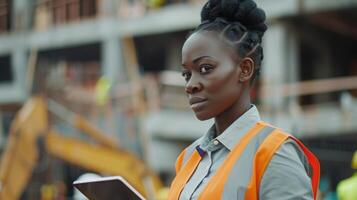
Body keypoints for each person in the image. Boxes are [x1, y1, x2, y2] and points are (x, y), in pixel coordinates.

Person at [167, 0, 320, 199]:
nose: (190, 85)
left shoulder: (274, 153)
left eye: (205, 68)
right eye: (187, 74)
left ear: (244, 69)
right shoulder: (188, 158)